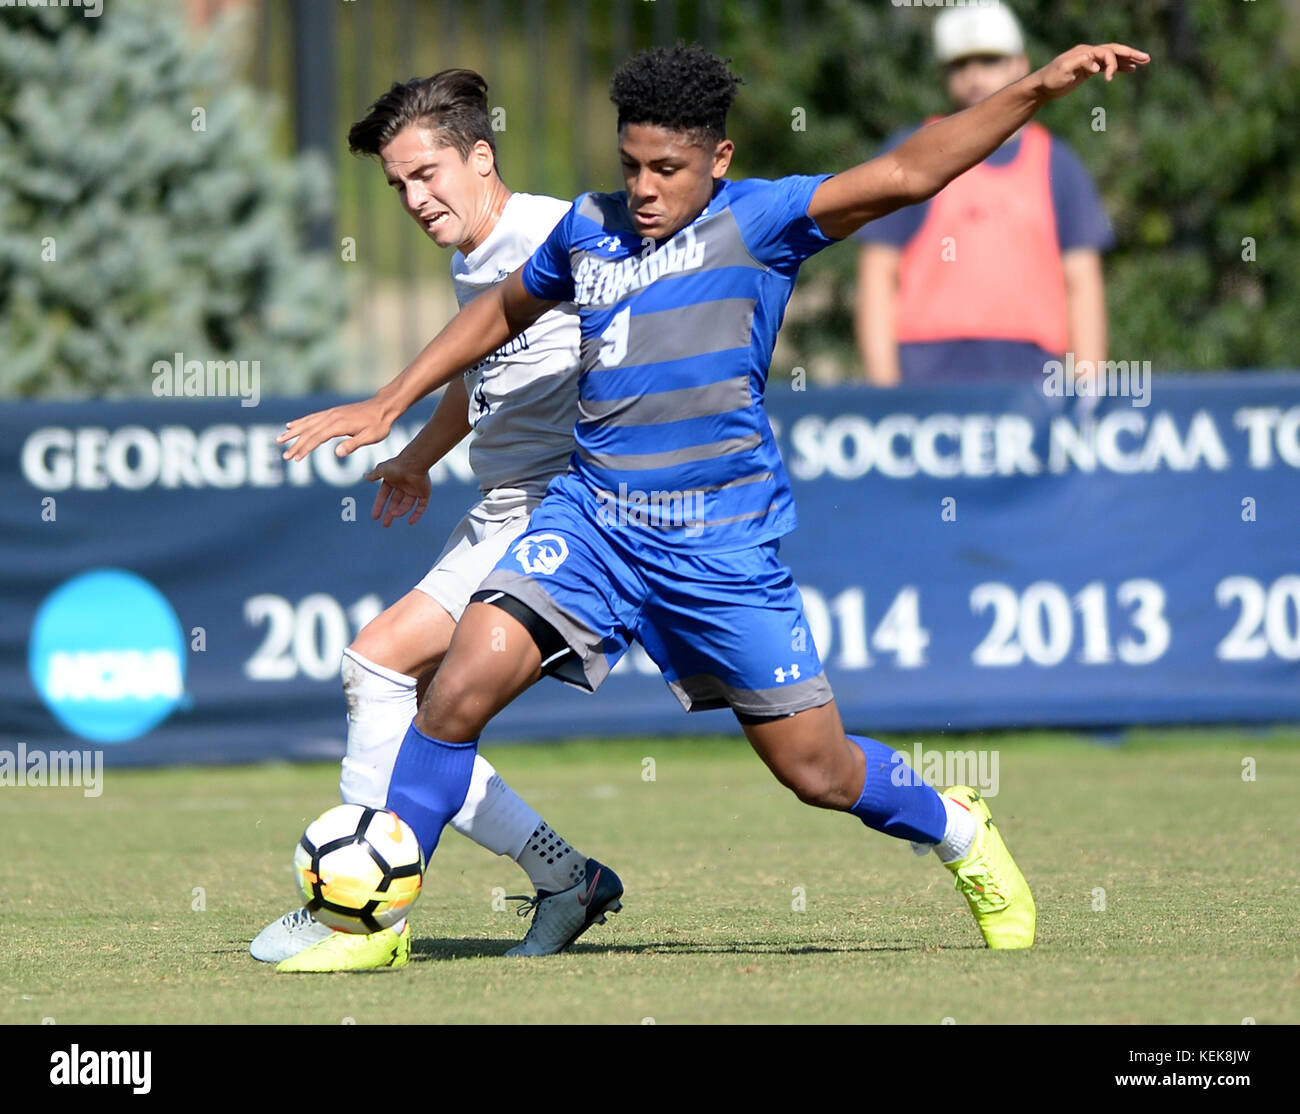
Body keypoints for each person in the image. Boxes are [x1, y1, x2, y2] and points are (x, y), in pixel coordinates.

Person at [279, 40, 1148, 967]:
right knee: (456, 687)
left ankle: (957, 828)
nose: (645, 188)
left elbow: (907, 171)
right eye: (630, 164)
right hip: (593, 525)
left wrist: (1039, 87)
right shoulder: (587, 229)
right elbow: (498, 313)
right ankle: (378, 930)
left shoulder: (763, 220)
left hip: (717, 549)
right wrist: (389, 404)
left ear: (718, 160)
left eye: (668, 168)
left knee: (817, 771)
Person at [254, 70, 623, 973]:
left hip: (561, 505)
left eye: (427, 176)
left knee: (378, 666)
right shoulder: (477, 256)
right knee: (416, 710)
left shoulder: (553, 235)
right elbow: (482, 362)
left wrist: (387, 410)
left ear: (481, 156)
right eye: (399, 187)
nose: (415, 200)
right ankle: (564, 877)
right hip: (507, 504)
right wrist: (423, 453)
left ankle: (352, 914)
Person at [854, 4, 1115, 388]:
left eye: (989, 60)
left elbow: (1083, 281)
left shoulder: (1057, 164)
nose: (974, 75)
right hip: (926, 372)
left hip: (1033, 375)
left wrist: (1088, 387)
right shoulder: (912, 154)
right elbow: (877, 275)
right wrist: (886, 391)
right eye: (960, 64)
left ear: (1019, 64)